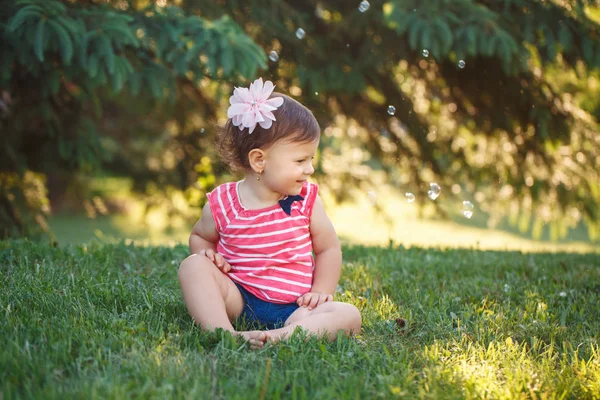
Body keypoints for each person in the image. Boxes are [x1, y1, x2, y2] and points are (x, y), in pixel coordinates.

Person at [178, 78, 362, 349]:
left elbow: (328, 248)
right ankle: (224, 332)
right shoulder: (223, 203)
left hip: (295, 308)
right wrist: (208, 254)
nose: (309, 169)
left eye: (311, 159)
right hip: (239, 298)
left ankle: (281, 337)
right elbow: (200, 237)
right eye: (300, 160)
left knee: (349, 315)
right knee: (192, 266)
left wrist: (321, 290)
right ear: (259, 160)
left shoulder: (306, 200)